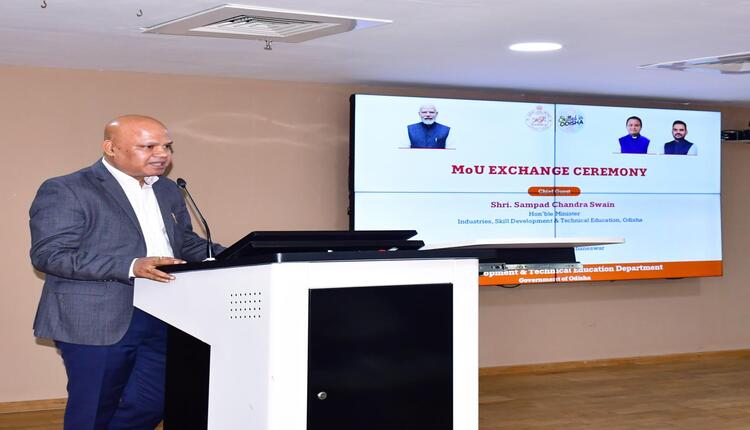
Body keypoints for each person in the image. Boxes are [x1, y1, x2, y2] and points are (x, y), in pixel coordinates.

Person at [29, 115, 223, 429]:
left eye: (166, 146)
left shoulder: (168, 190)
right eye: (149, 146)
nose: (162, 154)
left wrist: (240, 255)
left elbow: (185, 242)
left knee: (154, 403)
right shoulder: (67, 189)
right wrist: (132, 266)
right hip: (97, 319)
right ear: (111, 148)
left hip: (163, 314)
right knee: (94, 411)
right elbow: (50, 255)